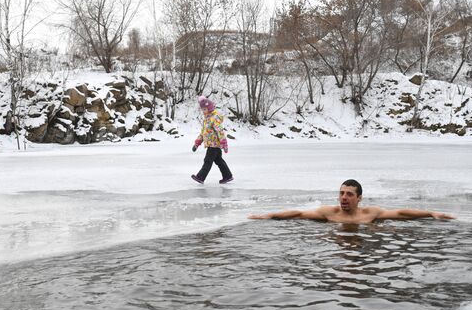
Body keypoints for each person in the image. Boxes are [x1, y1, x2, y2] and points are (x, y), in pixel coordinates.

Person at [248, 179, 455, 223]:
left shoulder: (370, 214)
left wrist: (430, 213)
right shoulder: (329, 213)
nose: (343, 198)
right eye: (341, 193)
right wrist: (270, 215)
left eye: (348, 194)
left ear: (359, 198)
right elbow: (298, 213)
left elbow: (400, 213)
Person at [191, 95, 234, 184]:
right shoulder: (206, 119)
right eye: (202, 109)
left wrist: (224, 144)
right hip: (212, 145)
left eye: (205, 109)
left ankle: (200, 177)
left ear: (209, 108)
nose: (203, 111)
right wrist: (197, 143)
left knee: (208, 161)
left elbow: (220, 131)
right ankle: (227, 176)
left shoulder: (214, 118)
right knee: (219, 161)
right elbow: (203, 133)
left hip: (214, 145)